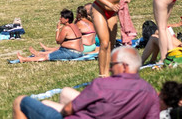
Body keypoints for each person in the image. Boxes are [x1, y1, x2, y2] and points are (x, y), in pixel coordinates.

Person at [13, 46, 160, 119]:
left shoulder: (103, 85)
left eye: (112, 64)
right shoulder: (150, 92)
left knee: (20, 101)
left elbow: (69, 109)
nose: (109, 68)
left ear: (124, 66)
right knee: (57, 98)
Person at [16, 8, 84, 63]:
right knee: (56, 50)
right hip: (79, 52)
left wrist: (57, 29)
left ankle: (24, 59)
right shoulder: (75, 25)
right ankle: (38, 54)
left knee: (47, 57)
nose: (60, 19)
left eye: (62, 17)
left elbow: (58, 41)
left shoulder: (66, 28)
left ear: (67, 19)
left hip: (71, 53)